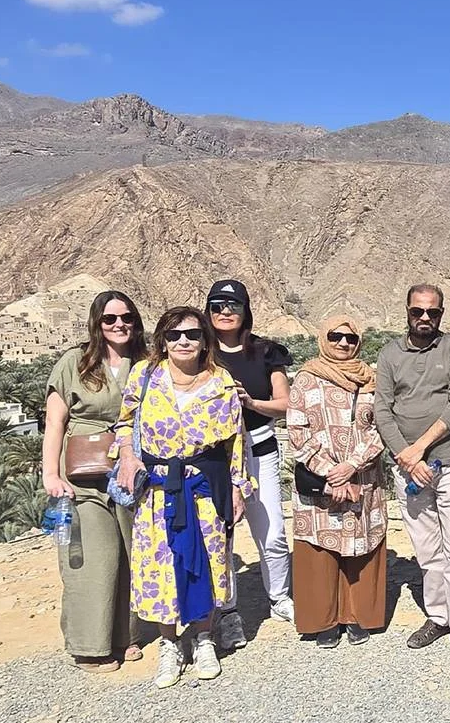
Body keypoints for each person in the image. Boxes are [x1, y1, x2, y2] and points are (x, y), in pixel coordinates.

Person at [113, 307, 250, 689]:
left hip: (205, 489)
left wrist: (238, 488)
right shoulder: (144, 376)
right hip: (158, 492)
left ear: (205, 340)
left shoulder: (221, 382)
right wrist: (127, 456)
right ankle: (170, 644)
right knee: (161, 567)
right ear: (163, 340)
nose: (183, 341)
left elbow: (236, 443)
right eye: (174, 335)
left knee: (208, 562)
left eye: (192, 334)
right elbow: (124, 423)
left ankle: (204, 639)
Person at [375, 285, 450, 670]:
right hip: (409, 468)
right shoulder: (389, 354)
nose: (425, 318)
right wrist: (407, 457)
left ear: (441, 313)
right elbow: (382, 410)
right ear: (407, 311)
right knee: (427, 548)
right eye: (418, 311)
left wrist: (418, 448)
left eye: (432, 312)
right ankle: (439, 616)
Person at [41, 291, 147, 673]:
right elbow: (55, 422)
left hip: (131, 471)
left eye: (126, 317)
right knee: (95, 558)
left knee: (131, 553)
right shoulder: (75, 362)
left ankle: (124, 635)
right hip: (82, 475)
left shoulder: (146, 363)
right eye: (110, 319)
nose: (119, 324)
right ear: (96, 323)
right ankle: (89, 645)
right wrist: (50, 474)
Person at [286, 315, 387, 648]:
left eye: (350, 338)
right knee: (321, 548)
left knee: (361, 544)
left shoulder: (372, 380)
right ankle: (324, 621)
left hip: (363, 477)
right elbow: (297, 430)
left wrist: (352, 465)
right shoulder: (306, 379)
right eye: (335, 336)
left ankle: (356, 616)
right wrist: (331, 471)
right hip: (321, 479)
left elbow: (383, 427)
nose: (343, 343)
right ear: (323, 338)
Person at [204, 279, 295, 649]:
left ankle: (280, 596)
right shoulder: (200, 351)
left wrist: (251, 403)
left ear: (246, 310)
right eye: (217, 305)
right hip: (214, 456)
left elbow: (286, 404)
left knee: (271, 531)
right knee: (220, 534)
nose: (225, 312)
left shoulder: (266, 351)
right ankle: (227, 611)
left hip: (259, 448)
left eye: (233, 305)